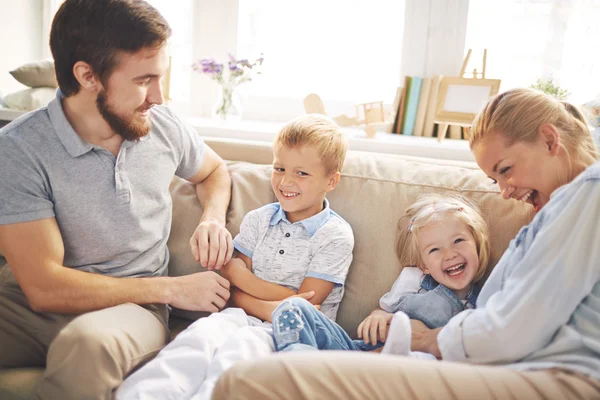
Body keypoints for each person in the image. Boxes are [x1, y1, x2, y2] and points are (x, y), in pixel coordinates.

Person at [212, 88, 600, 400]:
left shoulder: (588, 196)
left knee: (251, 383)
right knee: (265, 369)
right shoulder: (561, 208)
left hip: (556, 376)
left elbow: (513, 329)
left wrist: (431, 339)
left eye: (505, 171)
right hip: (512, 366)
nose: (505, 191)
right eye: (496, 179)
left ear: (550, 140)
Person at [0, 1, 234, 399]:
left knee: (88, 346)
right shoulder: (19, 150)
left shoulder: (163, 125)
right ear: (87, 75)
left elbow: (213, 171)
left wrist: (212, 217)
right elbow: (44, 287)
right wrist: (173, 290)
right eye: (144, 80)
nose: (158, 97)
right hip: (24, 303)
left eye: (160, 77)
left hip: (132, 309)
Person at [116, 114, 355, 400]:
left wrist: (242, 275)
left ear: (331, 180)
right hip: (239, 314)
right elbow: (234, 291)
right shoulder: (260, 219)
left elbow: (305, 304)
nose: (286, 181)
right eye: (279, 168)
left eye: (301, 173)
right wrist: (257, 292)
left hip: (294, 334)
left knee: (240, 351)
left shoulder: (335, 235)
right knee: (198, 338)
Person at [271, 194, 491, 359]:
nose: (450, 254)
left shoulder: (486, 300)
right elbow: (384, 310)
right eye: (435, 250)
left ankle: (397, 355)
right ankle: (297, 361)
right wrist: (378, 317)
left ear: (477, 243)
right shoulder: (413, 278)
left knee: (425, 359)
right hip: (359, 353)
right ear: (423, 264)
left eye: (458, 241)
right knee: (291, 307)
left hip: (415, 367)